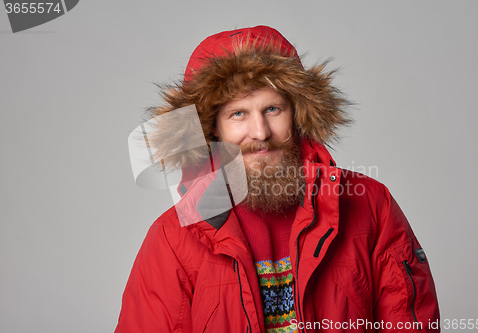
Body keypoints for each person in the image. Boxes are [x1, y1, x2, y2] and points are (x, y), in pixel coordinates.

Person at [116, 26, 440, 332]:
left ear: (297, 114)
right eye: (238, 114)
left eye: (272, 109)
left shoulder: (370, 206)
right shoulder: (174, 238)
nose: (260, 133)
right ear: (212, 128)